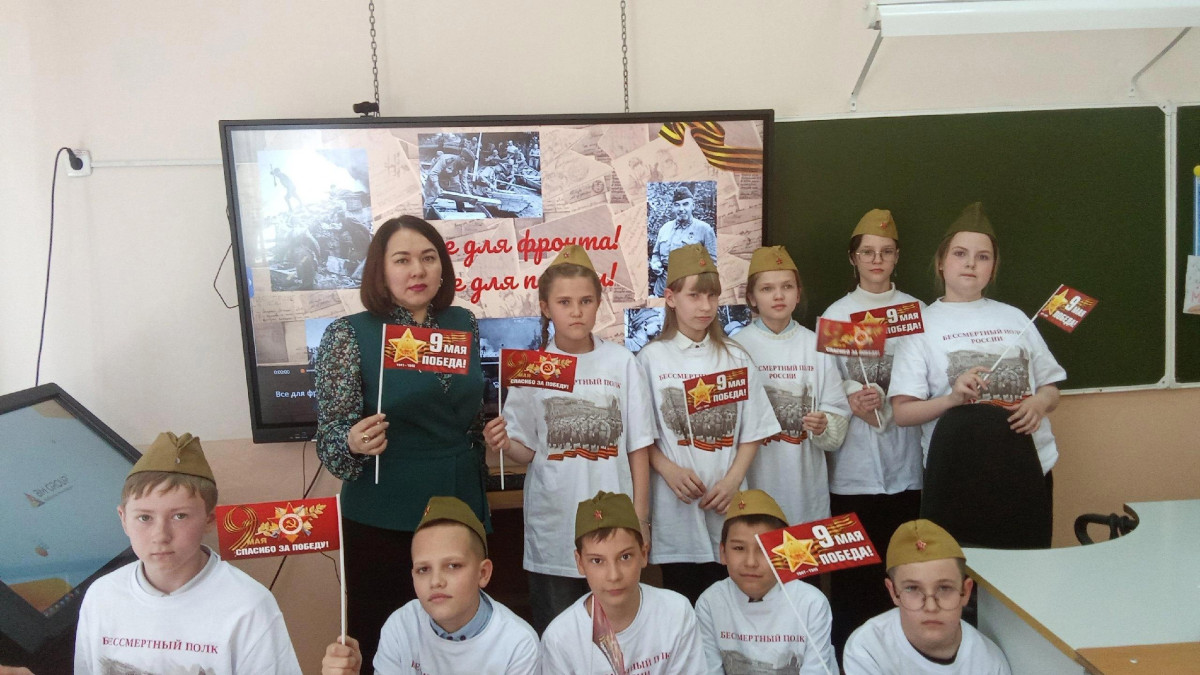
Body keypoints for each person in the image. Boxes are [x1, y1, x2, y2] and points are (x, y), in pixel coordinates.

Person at [315, 215, 488, 665]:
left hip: (459, 503)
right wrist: (352, 441)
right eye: (403, 260)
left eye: (428, 258)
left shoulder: (463, 322)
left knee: (463, 643)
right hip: (384, 510)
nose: (418, 270)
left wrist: (490, 436)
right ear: (381, 269)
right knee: (384, 644)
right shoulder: (349, 334)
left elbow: (468, 417)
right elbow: (329, 438)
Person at [482, 245, 657, 634]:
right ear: (546, 307)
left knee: (621, 635)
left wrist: (642, 519)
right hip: (555, 527)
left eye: (585, 301)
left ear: (598, 304)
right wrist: (504, 442)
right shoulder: (533, 369)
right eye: (564, 302)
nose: (576, 311)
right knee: (560, 634)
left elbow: (638, 448)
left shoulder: (621, 363)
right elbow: (527, 451)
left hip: (616, 529)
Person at [890, 203, 1064, 548]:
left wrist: (1039, 403)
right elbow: (902, 413)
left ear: (993, 268)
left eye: (983, 257)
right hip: (956, 476)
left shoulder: (1016, 318)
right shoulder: (920, 327)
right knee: (962, 571)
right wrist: (952, 399)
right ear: (941, 263)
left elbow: (1051, 387)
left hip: (1029, 469)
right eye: (960, 253)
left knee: (1028, 564)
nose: (971, 263)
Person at [74, 432, 301, 673]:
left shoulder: (248, 605)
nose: (161, 535)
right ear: (123, 519)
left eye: (179, 516)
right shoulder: (101, 596)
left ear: (209, 520)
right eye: (144, 518)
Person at [637, 244, 780, 603]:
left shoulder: (735, 357)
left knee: (733, 603)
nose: (705, 306)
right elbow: (640, 435)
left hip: (728, 508)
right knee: (684, 599)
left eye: (712, 296)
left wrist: (733, 481)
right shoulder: (650, 359)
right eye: (694, 295)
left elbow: (754, 430)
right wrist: (666, 468)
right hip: (676, 511)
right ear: (671, 298)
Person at [819, 209, 926, 657]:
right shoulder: (836, 315)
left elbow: (931, 376)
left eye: (885, 252)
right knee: (854, 583)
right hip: (853, 473)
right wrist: (850, 397)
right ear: (854, 258)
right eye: (868, 252)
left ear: (897, 257)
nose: (877, 260)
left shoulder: (915, 312)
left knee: (903, 575)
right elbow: (823, 384)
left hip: (907, 469)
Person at [321, 496, 539, 675]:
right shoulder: (400, 626)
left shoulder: (517, 643)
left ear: (483, 573)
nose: (436, 581)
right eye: (423, 569)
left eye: (453, 566)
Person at [733, 245, 850, 525]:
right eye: (767, 288)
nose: (778, 295)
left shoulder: (816, 345)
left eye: (787, 286)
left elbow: (837, 411)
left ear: (798, 294)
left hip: (805, 487)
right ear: (751, 297)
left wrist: (824, 424)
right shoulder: (735, 348)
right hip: (753, 484)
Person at [540, 491, 706, 673]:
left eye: (625, 557)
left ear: (643, 554)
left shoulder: (676, 613)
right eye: (597, 560)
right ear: (580, 563)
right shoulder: (560, 638)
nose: (614, 576)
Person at [695, 489, 836, 675]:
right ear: (723, 553)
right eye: (739, 548)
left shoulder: (811, 603)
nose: (751, 562)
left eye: (764, 549)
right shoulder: (710, 602)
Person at [843, 519, 1011, 674]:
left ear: (965, 592)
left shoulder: (989, 662)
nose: (931, 607)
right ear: (893, 592)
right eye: (912, 588)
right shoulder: (868, 648)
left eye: (944, 588)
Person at [649, 186, 719, 297]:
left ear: (693, 206)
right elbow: (656, 254)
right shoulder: (665, 228)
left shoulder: (704, 230)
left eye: (685, 204)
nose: (681, 209)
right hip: (663, 289)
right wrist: (655, 263)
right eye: (677, 205)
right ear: (673, 207)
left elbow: (713, 263)